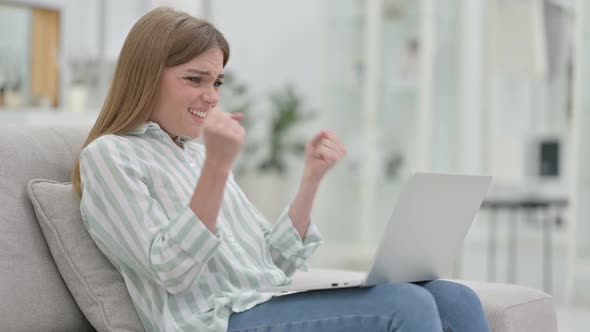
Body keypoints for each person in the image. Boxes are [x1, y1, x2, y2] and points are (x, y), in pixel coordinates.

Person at [72, 7, 491, 332]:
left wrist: (310, 180)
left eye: (217, 82)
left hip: (263, 301)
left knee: (456, 299)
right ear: (147, 77)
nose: (212, 96)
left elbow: (272, 259)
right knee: (407, 305)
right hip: (211, 322)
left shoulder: (195, 156)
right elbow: (171, 273)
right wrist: (218, 166)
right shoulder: (110, 157)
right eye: (195, 79)